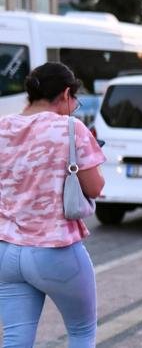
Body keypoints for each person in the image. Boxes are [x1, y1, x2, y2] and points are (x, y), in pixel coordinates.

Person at [0, 62, 105, 347]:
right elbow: (95, 187)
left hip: (6, 250)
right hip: (54, 250)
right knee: (81, 331)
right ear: (66, 93)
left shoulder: (3, 126)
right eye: (75, 100)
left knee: (15, 338)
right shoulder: (72, 129)